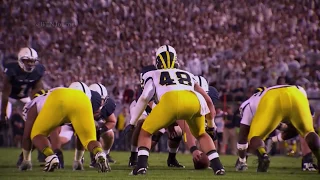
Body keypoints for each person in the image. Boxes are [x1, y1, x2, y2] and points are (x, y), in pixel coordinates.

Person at [129, 45, 225, 175]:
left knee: (145, 131)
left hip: (170, 101)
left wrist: (132, 122)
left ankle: (141, 166)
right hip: (194, 101)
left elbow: (144, 97)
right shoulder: (188, 74)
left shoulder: (153, 74)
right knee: (202, 134)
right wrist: (211, 126)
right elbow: (208, 100)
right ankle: (218, 167)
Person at [19, 82, 109, 172]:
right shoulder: (82, 96)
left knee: (36, 134)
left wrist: (26, 160)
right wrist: (77, 160)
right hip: (83, 101)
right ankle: (99, 153)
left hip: (58, 99)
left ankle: (50, 157)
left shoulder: (33, 107)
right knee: (89, 139)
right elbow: (79, 135)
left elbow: (26, 137)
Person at [235, 85, 320, 173]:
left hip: (272, 99)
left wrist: (242, 160)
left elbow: (242, 136)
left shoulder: (249, 103)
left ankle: (264, 156)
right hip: (296, 92)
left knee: (254, 136)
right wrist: (274, 139)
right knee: (308, 132)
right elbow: (295, 126)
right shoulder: (275, 90)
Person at [1, 48, 45, 126]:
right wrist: (3, 113)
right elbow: (5, 93)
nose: (30, 64)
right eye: (27, 61)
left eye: (32, 61)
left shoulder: (38, 71)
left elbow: (36, 93)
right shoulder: (12, 70)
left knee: (35, 120)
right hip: (9, 96)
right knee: (3, 119)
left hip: (24, 97)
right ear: (20, 60)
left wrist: (35, 109)